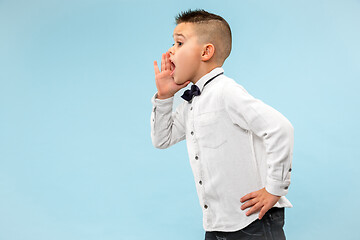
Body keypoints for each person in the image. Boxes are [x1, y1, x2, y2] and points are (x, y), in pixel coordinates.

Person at [150, 9, 294, 240]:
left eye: (178, 43)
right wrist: (165, 96)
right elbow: (162, 139)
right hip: (218, 223)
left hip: (252, 221)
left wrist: (275, 189)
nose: (170, 50)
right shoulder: (191, 101)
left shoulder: (226, 92)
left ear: (206, 52)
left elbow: (280, 128)